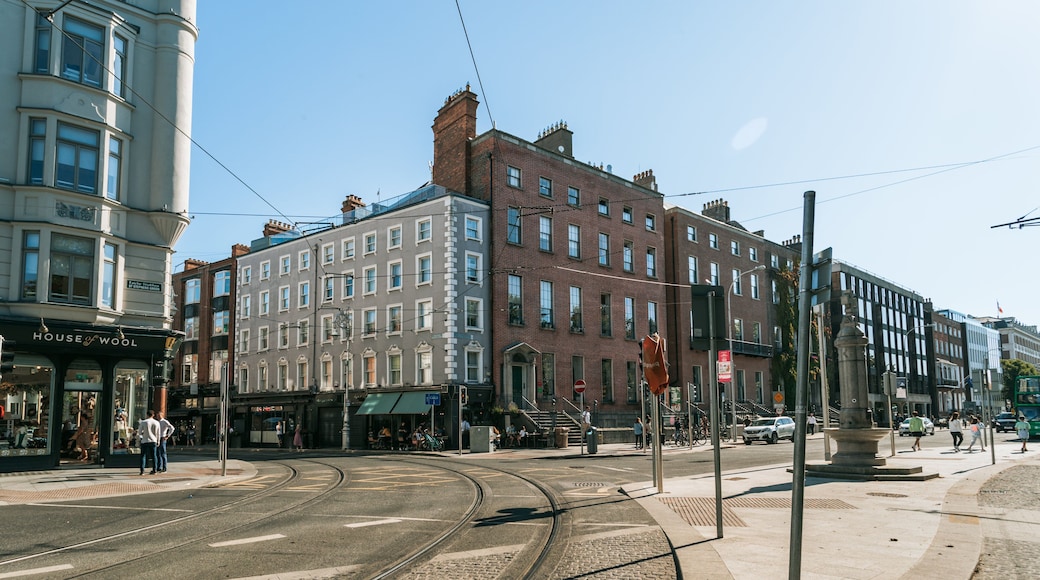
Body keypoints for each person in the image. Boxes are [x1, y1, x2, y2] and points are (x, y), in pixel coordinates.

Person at [138, 410, 162, 475]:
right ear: (153, 415)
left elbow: (139, 432)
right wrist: (158, 441)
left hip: (145, 440)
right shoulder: (157, 422)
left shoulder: (144, 422)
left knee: (143, 456)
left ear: (147, 415)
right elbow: (158, 433)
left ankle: (142, 471)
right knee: (154, 456)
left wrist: (141, 437)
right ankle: (154, 470)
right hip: (153, 440)